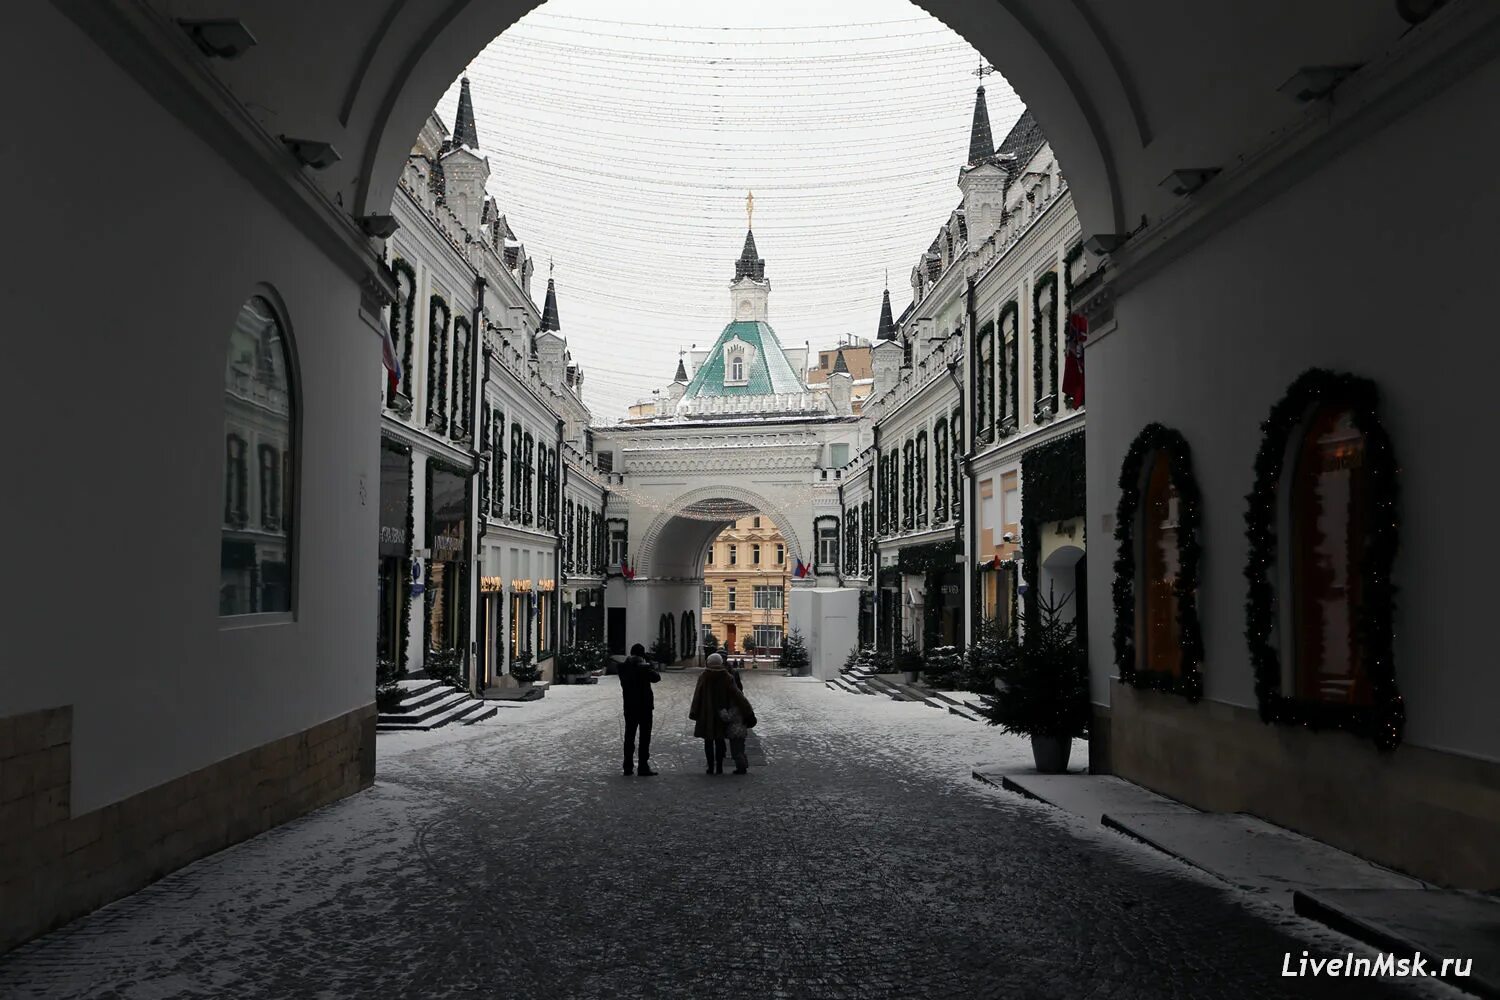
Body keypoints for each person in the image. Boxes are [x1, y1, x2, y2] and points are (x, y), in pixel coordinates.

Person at [689, 653, 756, 775]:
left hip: (706, 714)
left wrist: (694, 712)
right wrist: (747, 711)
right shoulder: (727, 677)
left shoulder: (704, 676)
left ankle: (710, 767)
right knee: (719, 740)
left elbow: (697, 696)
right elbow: (738, 695)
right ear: (720, 663)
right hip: (722, 713)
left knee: (708, 741)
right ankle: (719, 766)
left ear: (708, 663)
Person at [618, 642, 660, 776]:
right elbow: (656, 678)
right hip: (645, 706)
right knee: (644, 737)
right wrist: (649, 666)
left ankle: (628, 766)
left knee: (629, 736)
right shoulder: (644, 668)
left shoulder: (624, 667)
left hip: (629, 706)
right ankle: (643, 766)